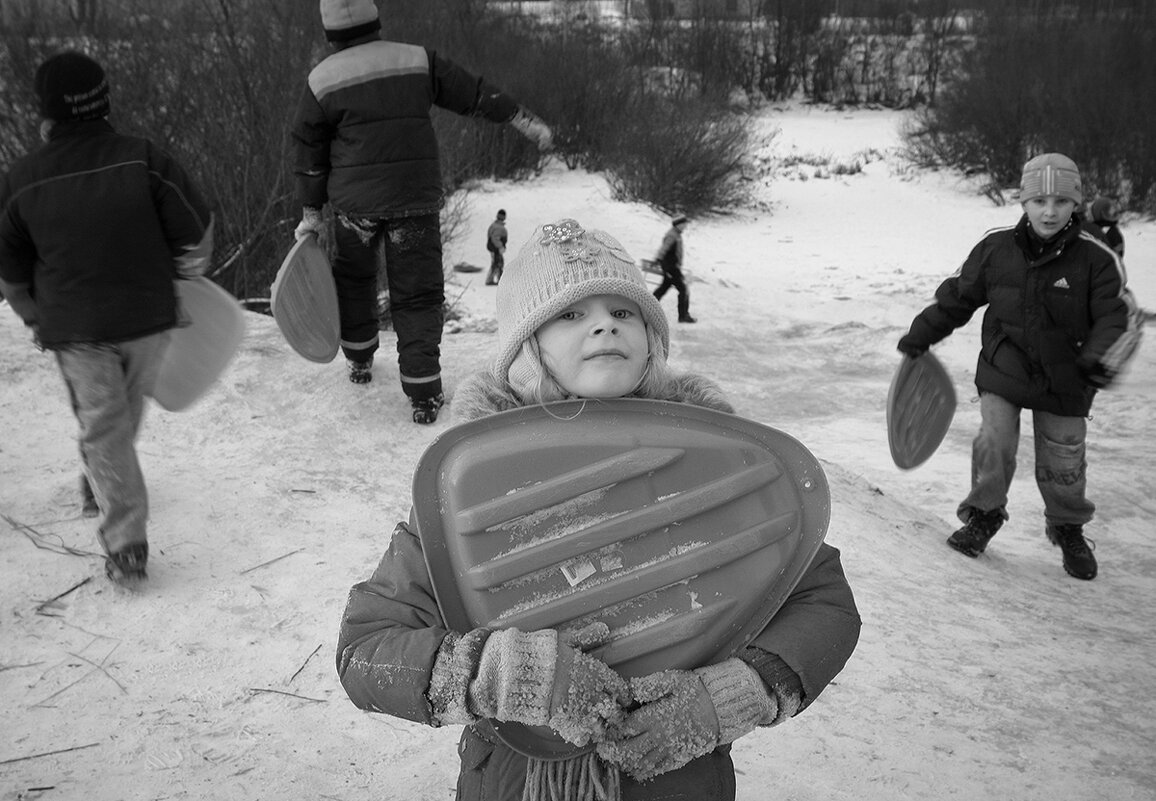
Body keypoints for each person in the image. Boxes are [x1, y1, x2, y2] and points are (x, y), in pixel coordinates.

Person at [336, 218, 861, 801]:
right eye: (570, 314)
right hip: (513, 781)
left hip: (676, 780)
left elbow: (826, 606)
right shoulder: (474, 492)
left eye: (625, 310)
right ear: (526, 349)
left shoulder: (719, 469)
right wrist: (499, 675)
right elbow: (368, 650)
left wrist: (734, 694)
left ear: (650, 339)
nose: (605, 323)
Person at [0, 51, 214, 583]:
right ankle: (126, 541)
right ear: (104, 102)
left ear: (46, 115)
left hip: (75, 328)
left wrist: (33, 318)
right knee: (115, 417)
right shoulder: (143, 159)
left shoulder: (22, 181)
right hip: (146, 317)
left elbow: (10, 274)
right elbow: (196, 228)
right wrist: (187, 274)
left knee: (107, 420)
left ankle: (101, 473)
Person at [290, 0, 554, 424]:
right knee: (418, 294)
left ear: (330, 34)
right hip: (414, 200)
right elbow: (474, 92)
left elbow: (309, 152)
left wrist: (311, 210)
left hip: (354, 206)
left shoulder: (321, 81)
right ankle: (423, 392)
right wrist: (520, 117)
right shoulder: (415, 60)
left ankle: (358, 358)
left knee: (354, 282)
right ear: (376, 20)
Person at [897, 153, 1141, 581]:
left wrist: (1099, 358)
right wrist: (921, 335)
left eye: (1061, 202)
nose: (1049, 211)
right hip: (1005, 365)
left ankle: (1068, 526)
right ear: (1023, 202)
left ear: (1076, 205)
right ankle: (983, 515)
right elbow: (957, 296)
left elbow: (1115, 316)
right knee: (993, 440)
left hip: (1068, 373)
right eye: (1039, 200)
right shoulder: (997, 248)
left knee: (1063, 459)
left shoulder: (1097, 258)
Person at [653, 214, 695, 323]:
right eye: (684, 224)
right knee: (683, 289)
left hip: (672, 266)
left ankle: (646, 307)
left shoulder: (676, 234)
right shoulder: (672, 235)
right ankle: (683, 316)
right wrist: (658, 259)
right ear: (678, 224)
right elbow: (664, 248)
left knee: (664, 288)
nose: (685, 226)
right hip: (670, 267)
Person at [485, 208, 508, 285]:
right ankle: (492, 280)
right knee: (497, 263)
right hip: (495, 248)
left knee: (498, 262)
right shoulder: (499, 227)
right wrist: (500, 247)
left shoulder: (495, 225)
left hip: (493, 248)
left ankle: (498, 279)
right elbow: (495, 238)